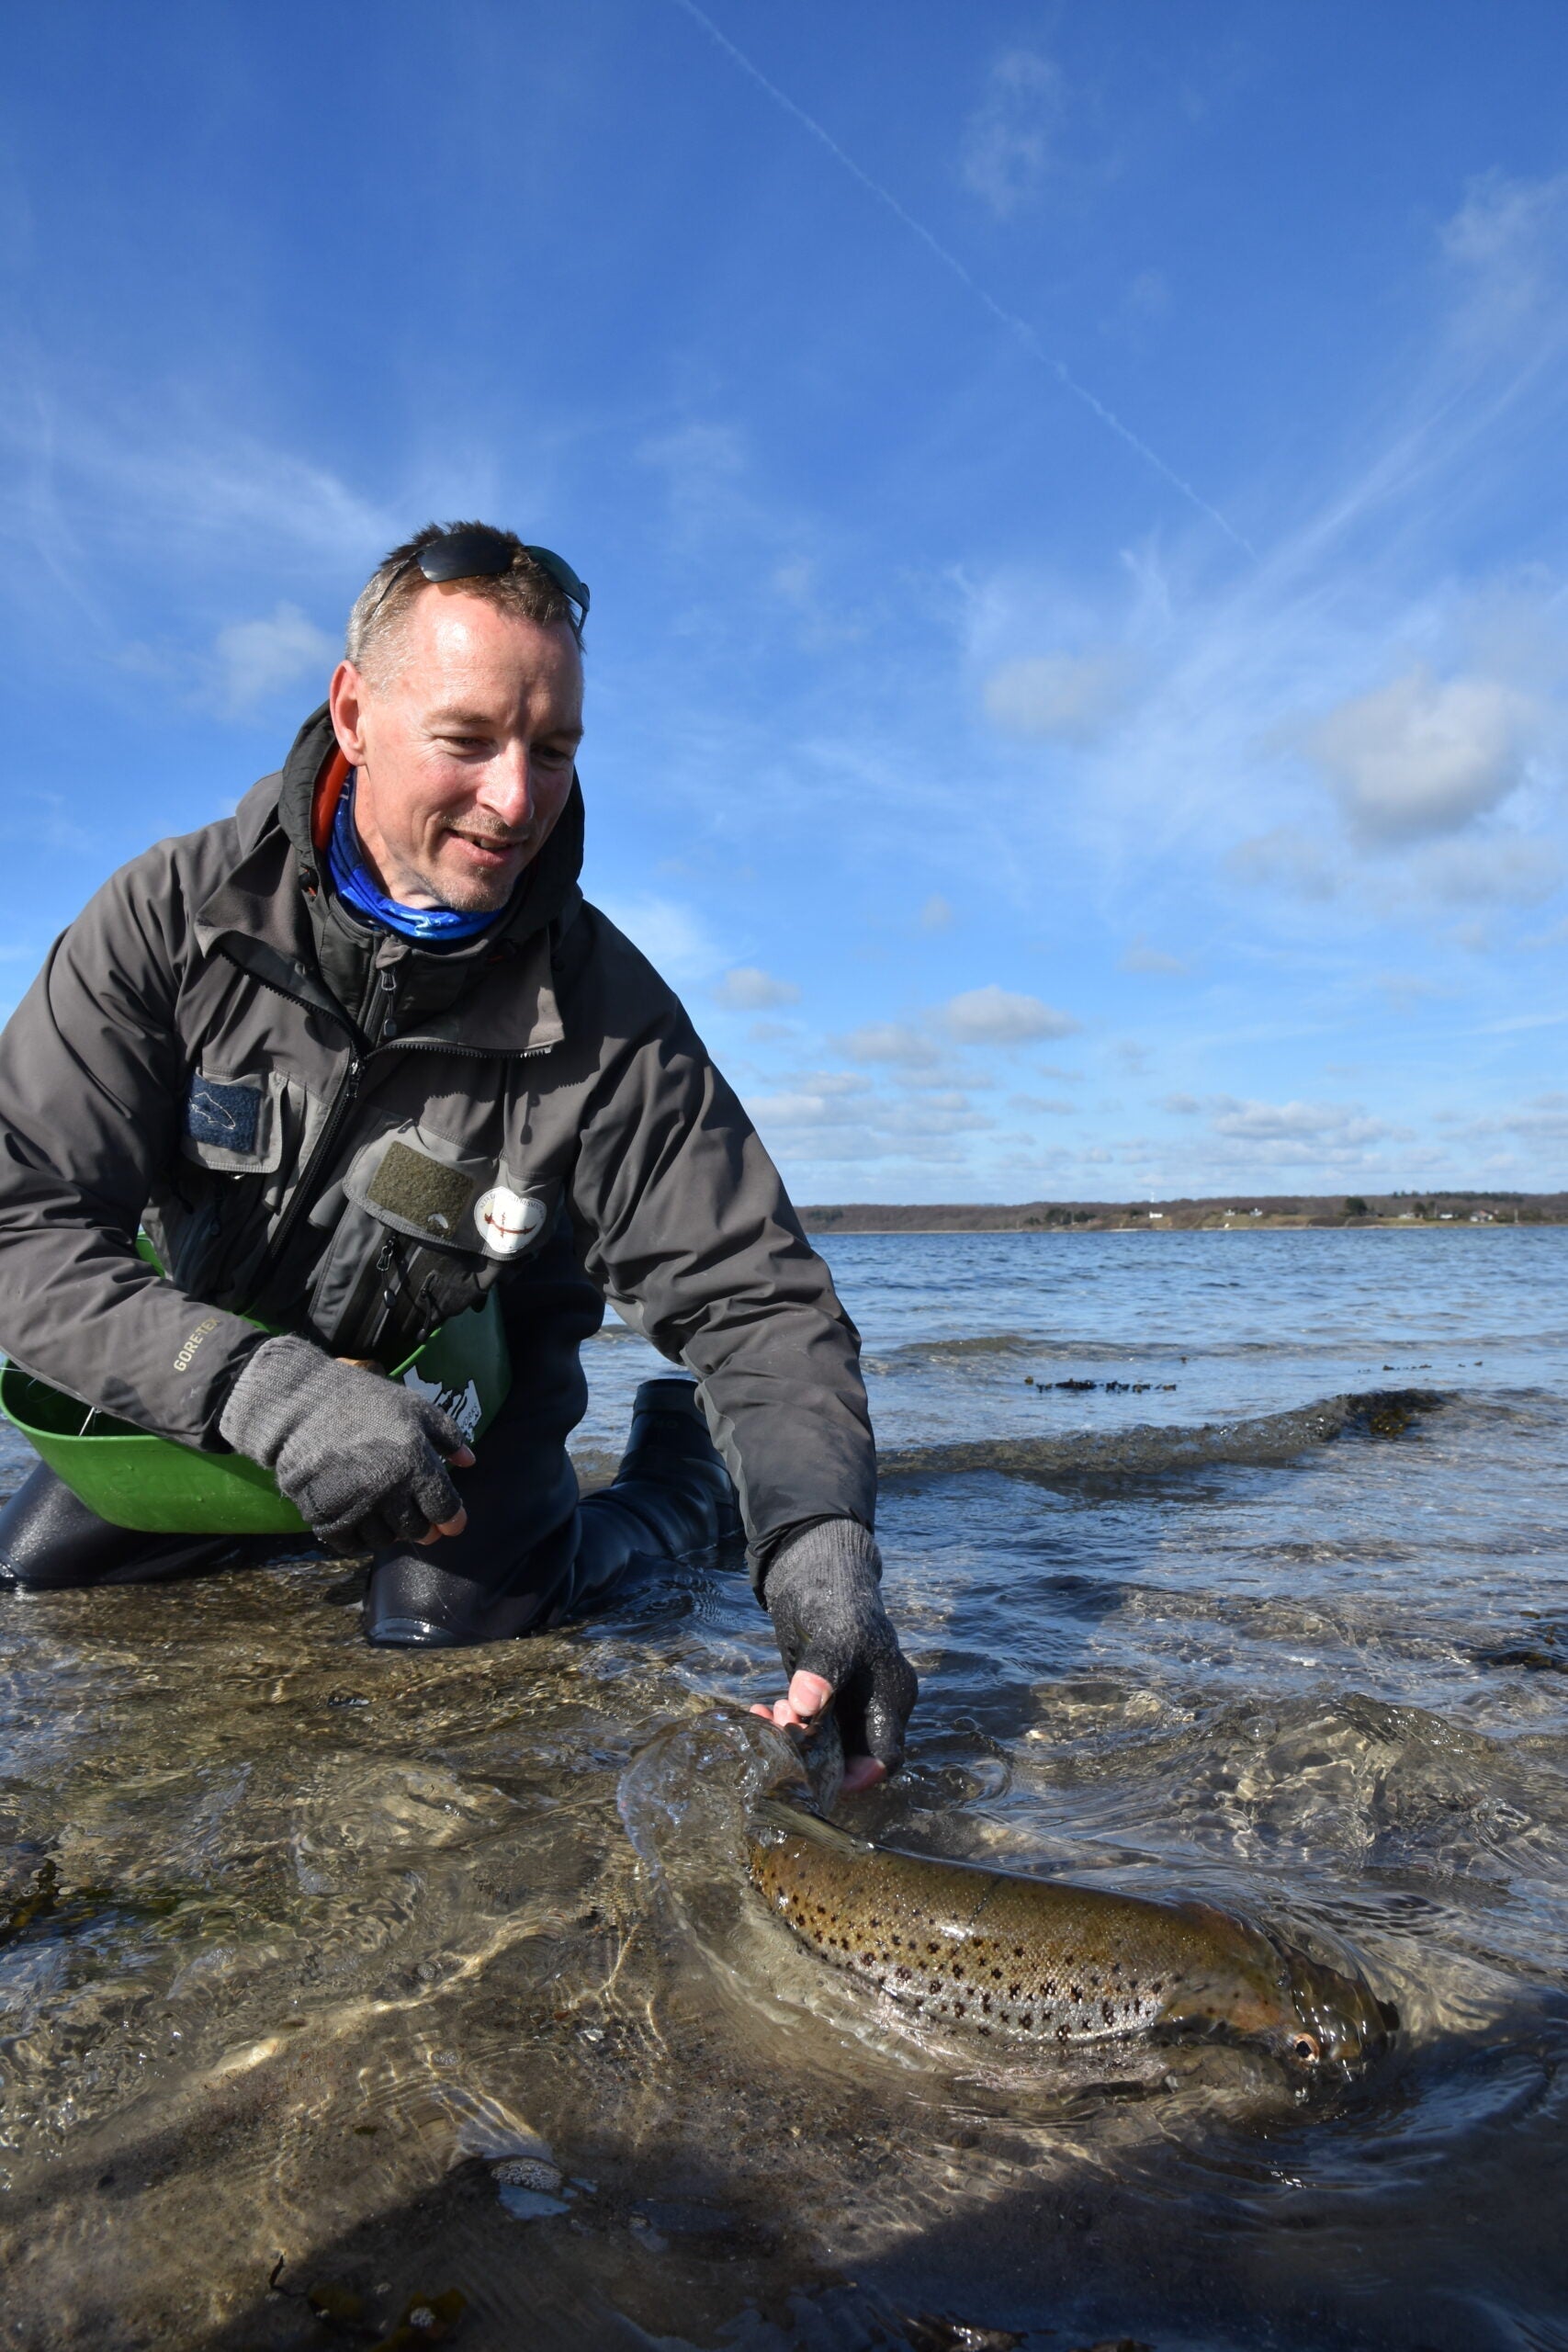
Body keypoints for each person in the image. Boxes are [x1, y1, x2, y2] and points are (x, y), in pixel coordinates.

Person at [0, 524, 917, 1789]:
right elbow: (23, 1229)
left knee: (441, 1647)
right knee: (34, 1581)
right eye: (469, 739)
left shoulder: (610, 1011)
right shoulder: (165, 922)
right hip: (226, 1378)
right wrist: (264, 1394)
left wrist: (821, 1553)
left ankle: (674, 1488)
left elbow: (754, 1295)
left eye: (552, 750)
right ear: (355, 711)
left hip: (473, 1408)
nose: (516, 799)